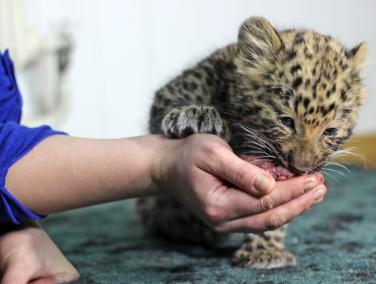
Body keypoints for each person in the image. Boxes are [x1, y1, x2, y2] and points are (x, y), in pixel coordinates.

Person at [0, 50, 327, 283]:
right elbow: (166, 108)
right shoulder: (216, 76)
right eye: (287, 121)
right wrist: (162, 163)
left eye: (331, 132)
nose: (304, 160)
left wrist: (17, 228)